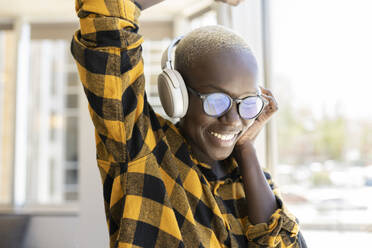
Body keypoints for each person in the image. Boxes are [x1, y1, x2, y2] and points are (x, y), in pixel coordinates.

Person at [71, 0, 307, 247]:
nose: (234, 119)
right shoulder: (141, 149)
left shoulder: (249, 177)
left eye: (246, 103)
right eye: (217, 101)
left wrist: (246, 150)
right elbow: (106, 18)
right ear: (177, 96)